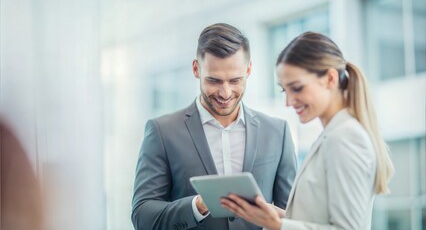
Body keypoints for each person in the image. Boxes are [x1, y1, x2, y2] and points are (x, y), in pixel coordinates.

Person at [131, 23, 297, 230]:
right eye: (214, 81)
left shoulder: (277, 132)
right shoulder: (162, 132)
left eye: (235, 80)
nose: (225, 93)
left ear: (249, 70)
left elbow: (293, 218)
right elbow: (142, 217)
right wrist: (198, 205)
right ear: (196, 69)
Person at [221, 32, 395, 230]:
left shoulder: (345, 138)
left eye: (297, 88)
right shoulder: (332, 134)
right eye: (284, 90)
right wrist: (278, 218)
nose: (288, 102)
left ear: (330, 79)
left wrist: (279, 226)